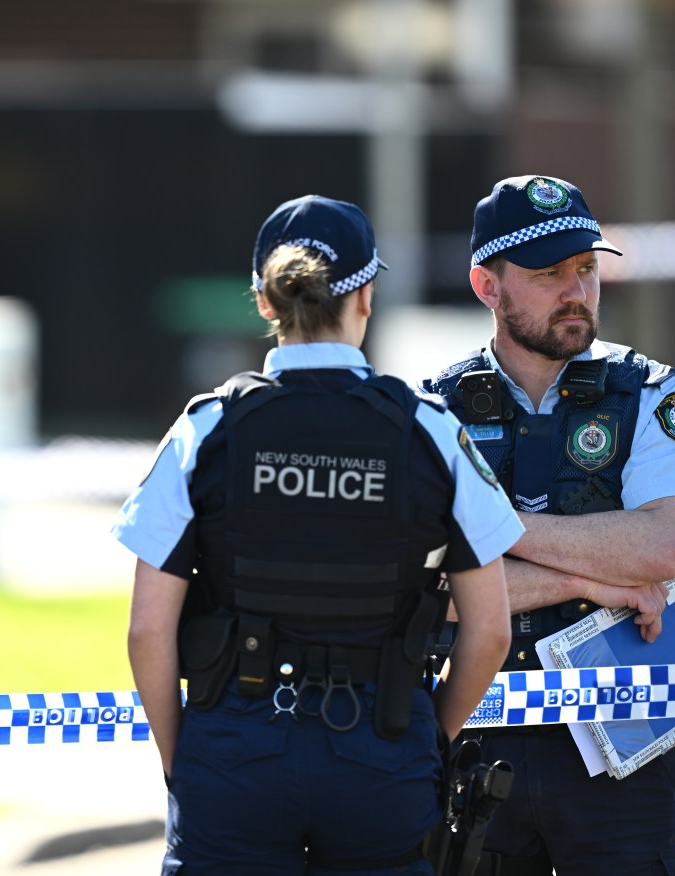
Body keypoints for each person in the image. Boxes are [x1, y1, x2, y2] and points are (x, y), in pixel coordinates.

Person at [114, 194, 522, 875]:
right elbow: (491, 633)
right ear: (365, 296)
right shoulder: (429, 432)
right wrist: (424, 742)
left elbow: (145, 633)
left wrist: (183, 763)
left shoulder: (206, 429)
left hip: (232, 754)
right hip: (382, 754)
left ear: (265, 301)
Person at [421, 174, 675, 875]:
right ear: (486, 286)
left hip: (625, 738)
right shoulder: (429, 412)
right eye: (548, 272)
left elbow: (657, 549)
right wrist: (599, 578)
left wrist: (490, 525)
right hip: (474, 734)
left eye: (585, 268)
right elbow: (418, 584)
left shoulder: (653, 393)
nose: (575, 289)